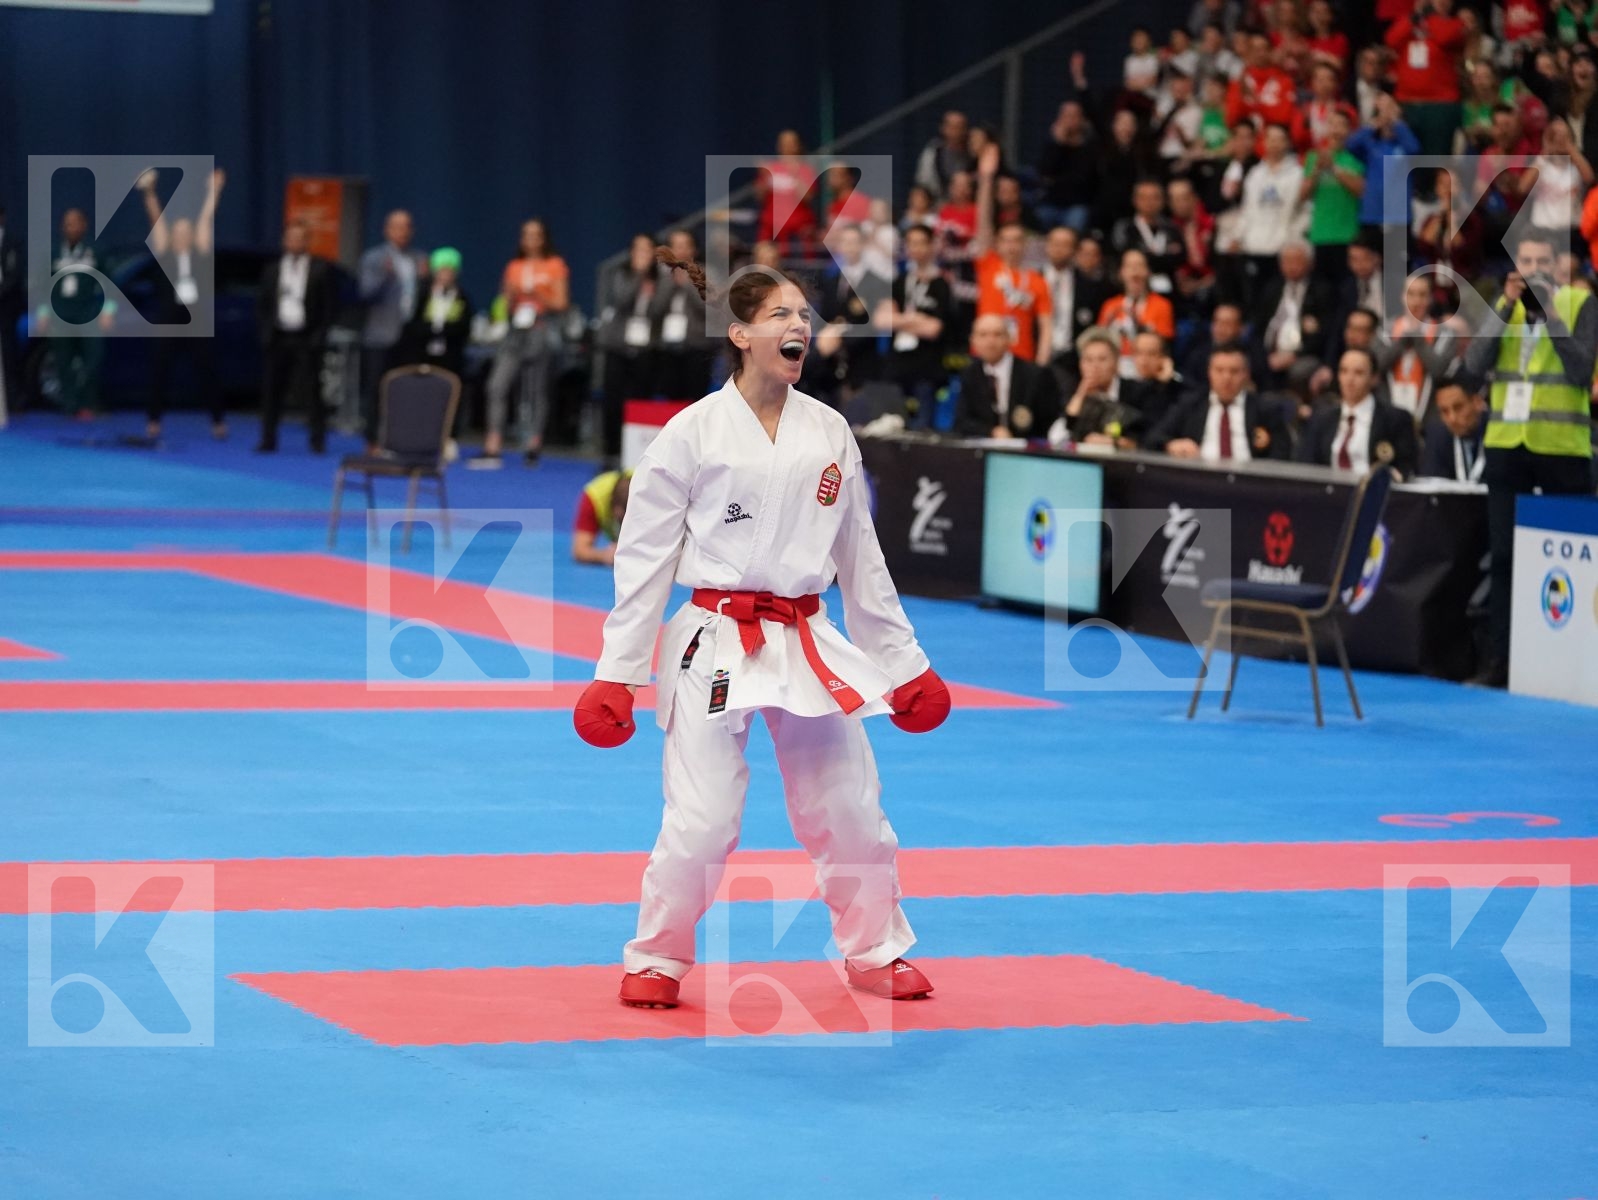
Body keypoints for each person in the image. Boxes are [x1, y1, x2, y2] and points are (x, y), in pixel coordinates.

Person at [574, 252, 950, 1009]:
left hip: (804, 637)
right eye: (781, 315)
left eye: (804, 318)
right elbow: (643, 561)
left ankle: (875, 949)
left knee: (850, 808)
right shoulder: (690, 433)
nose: (799, 328)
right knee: (705, 821)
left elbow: (860, 558)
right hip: (713, 637)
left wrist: (903, 664)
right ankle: (658, 955)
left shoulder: (830, 431)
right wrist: (617, 673)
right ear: (740, 333)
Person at [1462, 227, 1598, 687]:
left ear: (1561, 266)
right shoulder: (1505, 308)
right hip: (1506, 444)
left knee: (1574, 558)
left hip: (1562, 448)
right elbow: (1473, 366)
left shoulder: (1581, 303)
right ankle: (1498, 664)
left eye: (1542, 263)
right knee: (1503, 557)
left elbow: (1581, 371)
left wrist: (1552, 314)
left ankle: (1571, 668)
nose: (1532, 272)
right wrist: (1504, 305)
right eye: (1525, 263)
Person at [139, 166, 225, 440]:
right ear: (173, 236)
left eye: (188, 231)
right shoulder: (164, 255)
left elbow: (206, 219)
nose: (184, 233)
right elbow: (156, 221)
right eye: (178, 230)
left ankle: (218, 421)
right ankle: (154, 421)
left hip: (196, 318)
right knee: (159, 369)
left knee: (207, 368)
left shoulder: (201, 256)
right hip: (169, 319)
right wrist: (150, 192)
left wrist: (214, 191)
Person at [482, 218, 569, 467]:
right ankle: (493, 441)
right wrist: (511, 296)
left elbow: (562, 303)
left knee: (536, 389)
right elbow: (503, 306)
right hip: (515, 330)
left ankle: (533, 443)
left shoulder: (554, 265)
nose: (530, 239)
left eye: (535, 235)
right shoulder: (514, 266)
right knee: (497, 385)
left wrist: (537, 293)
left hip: (540, 329)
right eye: (526, 234)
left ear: (543, 238)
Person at [255, 221, 336, 454]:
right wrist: (265, 332)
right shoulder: (272, 269)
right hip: (278, 336)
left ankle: (317, 440)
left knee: (312, 390)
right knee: (272, 390)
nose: (294, 243)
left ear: (307, 241)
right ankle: (268, 439)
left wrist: (320, 334)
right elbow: (263, 304)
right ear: (284, 241)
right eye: (290, 238)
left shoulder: (320, 269)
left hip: (307, 337)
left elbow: (330, 305)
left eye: (300, 238)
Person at [972, 144, 1053, 365]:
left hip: (1022, 359)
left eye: (1017, 240)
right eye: (1006, 241)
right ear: (997, 244)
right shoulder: (988, 265)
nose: (1011, 246)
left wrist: (1041, 363)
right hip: (985, 355)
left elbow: (1046, 326)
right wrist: (986, 179)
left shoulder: (1037, 281)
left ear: (1025, 245)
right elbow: (984, 221)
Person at [358, 210, 429, 451]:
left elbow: (425, 298)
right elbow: (365, 293)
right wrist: (385, 276)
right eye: (396, 227)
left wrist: (425, 280)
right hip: (380, 334)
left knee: (405, 391)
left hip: (409, 334)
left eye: (406, 226)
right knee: (376, 390)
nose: (401, 231)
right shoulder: (374, 258)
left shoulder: (419, 258)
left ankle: (401, 440)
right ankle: (373, 441)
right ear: (387, 230)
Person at [1145, 343, 1290, 459]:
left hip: (1249, 484)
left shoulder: (1265, 409)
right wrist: (1171, 445)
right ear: (1209, 372)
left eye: (1234, 371)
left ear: (1246, 374)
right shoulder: (1190, 404)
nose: (1226, 378)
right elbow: (1154, 437)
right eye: (1219, 370)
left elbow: (1283, 452)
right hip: (1199, 480)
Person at [36, 207, 116, 421]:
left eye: (75, 223)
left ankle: (87, 402)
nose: (70, 227)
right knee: (63, 362)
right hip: (60, 314)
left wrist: (108, 311)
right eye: (67, 223)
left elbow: (110, 284)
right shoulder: (53, 254)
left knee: (94, 358)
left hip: (88, 313)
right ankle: (71, 405)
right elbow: (42, 287)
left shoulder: (95, 252)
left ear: (84, 226)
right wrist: (43, 313)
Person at [1295, 347, 1420, 476]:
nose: (1349, 379)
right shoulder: (1321, 419)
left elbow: (1406, 467)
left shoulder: (1396, 419)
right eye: (1344, 371)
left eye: (1358, 373)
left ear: (1374, 378)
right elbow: (1306, 465)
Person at [595, 234, 664, 463]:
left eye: (647, 250)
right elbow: (622, 301)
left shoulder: (661, 278)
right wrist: (638, 275)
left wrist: (652, 280)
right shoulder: (620, 274)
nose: (642, 254)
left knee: (640, 399)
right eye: (638, 249)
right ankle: (610, 450)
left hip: (647, 348)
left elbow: (660, 309)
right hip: (618, 345)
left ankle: (636, 453)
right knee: (613, 399)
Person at [878, 222, 951, 428]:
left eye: (921, 243)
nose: (916, 248)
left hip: (926, 368)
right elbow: (882, 320)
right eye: (911, 243)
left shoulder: (940, 284)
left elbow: (934, 329)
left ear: (931, 246)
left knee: (922, 429)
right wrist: (917, 319)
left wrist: (900, 319)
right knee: (891, 426)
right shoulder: (899, 281)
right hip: (897, 365)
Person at [1372, 273, 1464, 427]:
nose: (1416, 301)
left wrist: (1418, 342)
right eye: (1411, 294)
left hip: (1429, 418)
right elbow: (1376, 367)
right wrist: (1401, 343)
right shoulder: (1385, 331)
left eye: (1422, 295)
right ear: (1402, 296)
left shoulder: (1444, 333)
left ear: (1430, 299)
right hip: (1389, 415)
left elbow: (1439, 370)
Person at [955, 313, 1062, 439]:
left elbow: (1050, 421)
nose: (990, 341)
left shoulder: (1035, 375)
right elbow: (962, 422)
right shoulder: (970, 374)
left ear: (1009, 339)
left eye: (997, 334)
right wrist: (992, 432)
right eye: (983, 335)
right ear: (973, 341)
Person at [1250, 239, 1336, 393]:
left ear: (1310, 263)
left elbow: (1326, 333)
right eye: (1286, 261)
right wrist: (1264, 355)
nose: (1291, 267)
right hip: (1270, 352)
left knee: (1300, 370)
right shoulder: (1272, 289)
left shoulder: (1322, 291)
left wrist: (1293, 356)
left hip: (1303, 354)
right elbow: (1258, 328)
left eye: (1297, 261)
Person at [1384, 0, 1466, 154]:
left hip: (1440, 106)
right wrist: (1413, 18)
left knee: (1434, 160)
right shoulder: (1409, 22)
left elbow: (1445, 37)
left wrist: (1431, 17)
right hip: (1406, 103)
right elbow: (1391, 40)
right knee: (1405, 159)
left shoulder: (1456, 25)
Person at [1048, 326, 1142, 447]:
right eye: (1088, 360)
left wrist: (1114, 442)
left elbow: (1144, 437)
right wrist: (1080, 395)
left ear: (1116, 362)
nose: (1095, 366)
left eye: (1102, 359)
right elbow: (1058, 436)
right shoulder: (1072, 393)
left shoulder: (1135, 391)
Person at [1097, 248, 1176, 377]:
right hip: (1115, 369)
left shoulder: (1162, 305)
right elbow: (1099, 342)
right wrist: (1106, 326)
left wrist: (1138, 324)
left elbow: (1163, 345)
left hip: (1147, 370)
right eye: (1129, 266)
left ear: (1148, 272)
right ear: (1121, 273)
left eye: (1139, 265)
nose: (1135, 271)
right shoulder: (1110, 305)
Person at [396, 247, 472, 378]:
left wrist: (440, 330)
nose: (446, 275)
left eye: (450, 271)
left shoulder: (462, 298)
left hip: (450, 358)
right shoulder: (423, 296)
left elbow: (463, 327)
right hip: (422, 356)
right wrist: (433, 330)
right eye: (442, 271)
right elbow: (413, 325)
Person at [1418, 381, 1489, 481]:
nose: (1452, 418)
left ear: (1477, 402)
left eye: (1458, 407)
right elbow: (1432, 479)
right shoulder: (1437, 434)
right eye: (1444, 411)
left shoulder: (1497, 430)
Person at [572, 468, 632, 566]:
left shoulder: (652, 490)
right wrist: (604, 555)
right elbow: (580, 550)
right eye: (621, 521)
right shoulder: (593, 497)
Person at [914, 110, 974, 201]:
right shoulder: (933, 153)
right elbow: (923, 184)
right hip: (937, 205)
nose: (955, 131)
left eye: (959, 127)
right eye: (951, 127)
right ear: (943, 128)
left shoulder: (973, 154)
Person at [0, 204, 20, 411]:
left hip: (5, 308)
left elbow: (14, 276)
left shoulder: (13, 243)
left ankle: (12, 402)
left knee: (8, 355)